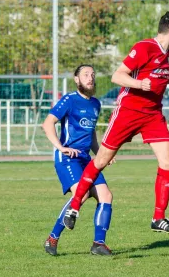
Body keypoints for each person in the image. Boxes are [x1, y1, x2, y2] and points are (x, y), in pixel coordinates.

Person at [63, 11, 169, 234]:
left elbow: (155, 79)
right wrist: (140, 85)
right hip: (128, 111)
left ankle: (158, 218)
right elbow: (117, 76)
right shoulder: (144, 47)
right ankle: (74, 207)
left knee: (168, 160)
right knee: (101, 159)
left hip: (152, 115)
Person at [42, 64, 115, 257]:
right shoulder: (69, 100)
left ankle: (98, 244)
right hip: (68, 158)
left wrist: (102, 154)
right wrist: (61, 147)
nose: (90, 78)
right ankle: (52, 238)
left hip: (86, 159)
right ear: (76, 79)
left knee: (105, 195)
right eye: (85, 75)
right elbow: (47, 123)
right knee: (81, 196)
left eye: (92, 74)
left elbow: (90, 135)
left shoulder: (95, 104)